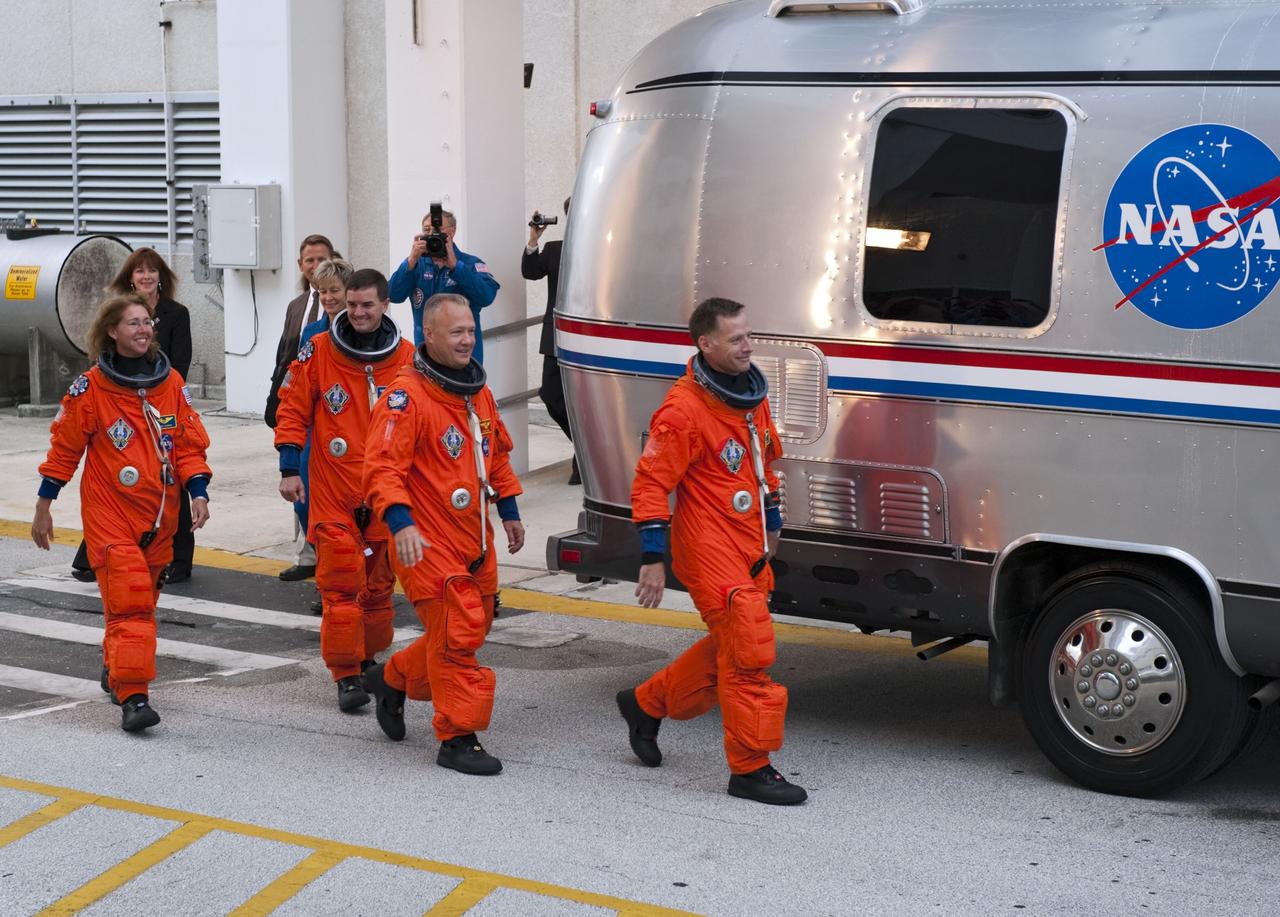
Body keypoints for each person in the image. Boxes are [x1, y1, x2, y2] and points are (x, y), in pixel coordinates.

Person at [614, 297, 806, 805]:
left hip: (749, 543)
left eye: (749, 335)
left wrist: (772, 524)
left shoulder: (748, 395)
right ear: (706, 344)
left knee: (732, 645)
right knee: (749, 651)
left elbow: (762, 466)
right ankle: (750, 768)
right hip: (707, 547)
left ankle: (646, 703)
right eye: (736, 338)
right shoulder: (683, 411)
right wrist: (652, 557)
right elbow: (651, 484)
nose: (749, 346)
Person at [32, 294, 212, 732]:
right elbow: (64, 450)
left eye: (147, 322)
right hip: (110, 514)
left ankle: (116, 665)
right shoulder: (91, 388)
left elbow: (188, 445)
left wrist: (199, 492)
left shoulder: (170, 384)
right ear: (112, 331)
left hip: (160, 516)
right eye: (133, 323)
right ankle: (134, 697)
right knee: (131, 601)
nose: (143, 329)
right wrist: (43, 506)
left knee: (137, 606)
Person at [362, 293, 525, 775]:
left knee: (472, 625)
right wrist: (400, 522)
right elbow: (382, 468)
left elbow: (495, 455)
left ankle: (393, 678)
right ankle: (457, 738)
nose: (467, 340)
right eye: (457, 332)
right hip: (425, 539)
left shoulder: (477, 392)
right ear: (428, 334)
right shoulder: (405, 397)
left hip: (474, 537)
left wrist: (509, 509)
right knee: (457, 631)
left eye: (471, 331)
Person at [274, 268, 415, 712]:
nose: (357, 312)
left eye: (367, 305)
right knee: (340, 587)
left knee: (377, 591)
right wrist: (289, 468)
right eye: (352, 304)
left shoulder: (408, 359)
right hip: (334, 491)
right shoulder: (318, 351)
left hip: (384, 496)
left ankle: (368, 659)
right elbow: (292, 409)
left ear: (385, 305)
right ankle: (345, 674)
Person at [71, 248, 195, 583]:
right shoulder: (118, 311)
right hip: (121, 408)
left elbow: (181, 362)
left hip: (162, 404)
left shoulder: (176, 313)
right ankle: (97, 554)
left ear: (160, 277)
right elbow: (103, 359)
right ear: (130, 277)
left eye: (152, 270)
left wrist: (162, 394)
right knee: (118, 479)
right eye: (139, 271)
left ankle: (178, 558)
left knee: (171, 476)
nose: (146, 276)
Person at [268, 234, 337, 583]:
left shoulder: (352, 308)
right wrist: (275, 399)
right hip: (300, 406)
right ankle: (308, 555)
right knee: (302, 489)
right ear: (300, 265)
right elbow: (286, 356)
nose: (315, 266)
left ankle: (332, 565)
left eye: (321, 259)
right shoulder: (297, 306)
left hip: (334, 417)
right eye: (309, 260)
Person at [388, 210, 499, 361]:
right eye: (427, 230)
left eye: (438, 229)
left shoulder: (470, 264)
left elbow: (486, 297)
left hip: (464, 357)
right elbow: (393, 295)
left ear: (452, 232)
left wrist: (456, 267)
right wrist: (410, 261)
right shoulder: (416, 265)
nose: (432, 234)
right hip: (426, 356)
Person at [522, 197, 579, 485]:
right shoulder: (555, 249)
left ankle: (585, 459)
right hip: (556, 337)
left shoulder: (607, 249)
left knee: (586, 401)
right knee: (551, 394)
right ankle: (586, 449)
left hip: (591, 339)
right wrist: (534, 239)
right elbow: (530, 272)